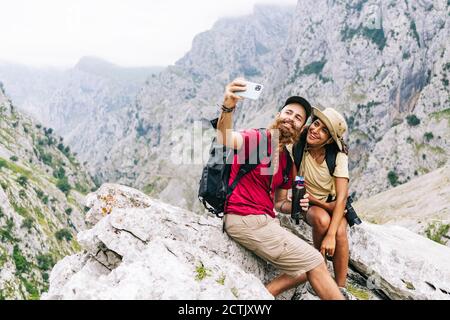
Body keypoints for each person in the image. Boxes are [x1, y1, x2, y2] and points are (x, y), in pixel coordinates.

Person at [217, 78, 344, 300]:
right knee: (315, 261)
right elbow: (225, 137)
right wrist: (228, 105)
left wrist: (298, 204)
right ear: (279, 115)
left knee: (309, 264)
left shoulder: (286, 162)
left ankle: (265, 293)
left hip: (264, 220)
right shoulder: (258, 139)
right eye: (288, 113)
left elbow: (279, 203)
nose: (291, 119)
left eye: (298, 118)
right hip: (244, 217)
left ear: (301, 128)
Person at [290, 106, 350, 294]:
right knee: (322, 219)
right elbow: (296, 183)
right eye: (316, 124)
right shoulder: (298, 146)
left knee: (339, 231)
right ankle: (320, 271)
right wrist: (323, 204)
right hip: (308, 201)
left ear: (330, 140)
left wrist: (331, 236)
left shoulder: (338, 157)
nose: (316, 130)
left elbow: (341, 198)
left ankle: (340, 288)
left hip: (333, 202)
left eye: (324, 130)